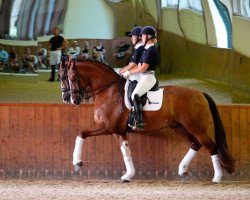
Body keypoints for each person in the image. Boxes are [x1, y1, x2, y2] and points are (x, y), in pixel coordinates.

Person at [121, 26, 159, 130]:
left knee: (134, 95)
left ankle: (139, 121)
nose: (141, 38)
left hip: (148, 77)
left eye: (143, 35)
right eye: (141, 36)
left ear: (148, 36)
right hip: (143, 77)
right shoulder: (146, 49)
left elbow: (143, 68)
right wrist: (128, 71)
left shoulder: (151, 50)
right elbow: (138, 65)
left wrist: (129, 72)